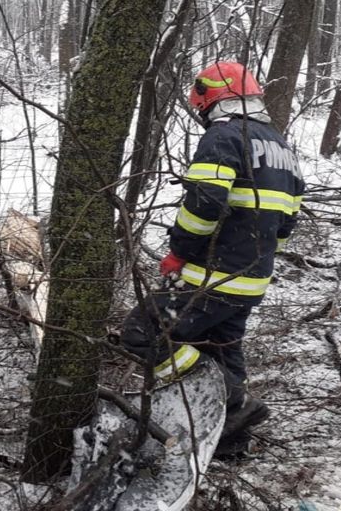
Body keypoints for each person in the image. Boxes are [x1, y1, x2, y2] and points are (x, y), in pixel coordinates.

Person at [120, 60, 304, 457]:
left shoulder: (224, 137)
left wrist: (179, 253)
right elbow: (288, 221)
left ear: (210, 101)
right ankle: (230, 441)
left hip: (215, 276)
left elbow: (205, 203)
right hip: (253, 277)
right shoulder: (280, 145)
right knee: (221, 345)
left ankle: (220, 400)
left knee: (143, 331)